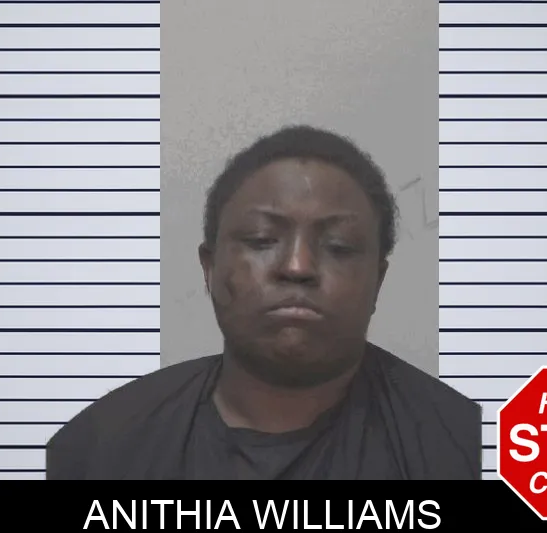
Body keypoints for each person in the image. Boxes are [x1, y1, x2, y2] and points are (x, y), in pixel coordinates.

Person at [46, 125, 482, 480]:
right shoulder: (100, 446)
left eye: (339, 246)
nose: (297, 266)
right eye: (261, 239)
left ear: (378, 281)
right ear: (209, 267)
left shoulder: (469, 447)